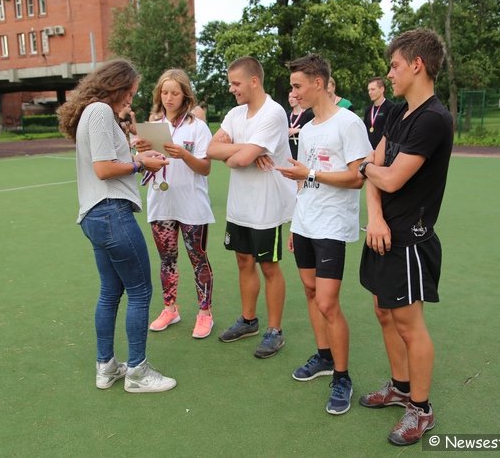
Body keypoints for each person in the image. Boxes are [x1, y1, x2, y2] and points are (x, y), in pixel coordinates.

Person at [357, 29, 453, 445]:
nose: (389, 73)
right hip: (382, 233)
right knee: (383, 311)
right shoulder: (396, 113)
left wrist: (367, 171)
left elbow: (388, 176)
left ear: (417, 65)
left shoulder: (434, 119)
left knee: (409, 324)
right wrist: (374, 217)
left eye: (395, 65)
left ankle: (422, 409)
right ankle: (400, 386)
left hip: (410, 240)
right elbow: (374, 169)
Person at [57, 59, 176, 393]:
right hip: (110, 213)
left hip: (97, 215)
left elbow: (109, 162)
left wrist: (134, 157)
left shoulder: (95, 112)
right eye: (130, 93)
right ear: (116, 86)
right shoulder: (98, 111)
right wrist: (140, 162)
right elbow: (104, 169)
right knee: (140, 291)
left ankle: (107, 367)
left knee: (111, 291)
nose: (130, 100)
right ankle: (137, 371)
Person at [275, 54, 371, 415]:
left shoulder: (349, 123)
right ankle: (325, 357)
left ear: (319, 83)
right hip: (306, 223)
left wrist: (309, 174)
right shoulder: (310, 127)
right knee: (312, 292)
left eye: (298, 86)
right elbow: (306, 180)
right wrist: (295, 222)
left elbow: (357, 177)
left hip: (332, 225)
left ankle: (342, 377)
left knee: (328, 302)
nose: (294, 93)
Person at [207, 56, 296, 359]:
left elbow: (238, 160)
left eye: (236, 83)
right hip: (240, 205)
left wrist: (236, 153)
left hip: (266, 206)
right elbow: (211, 149)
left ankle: (275, 331)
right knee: (244, 260)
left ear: (254, 81)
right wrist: (243, 149)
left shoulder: (273, 113)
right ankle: (249, 320)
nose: (232, 89)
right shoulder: (234, 114)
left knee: (268, 266)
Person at [134, 69, 215, 339]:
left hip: (192, 204)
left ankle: (205, 313)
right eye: (164, 92)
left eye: (174, 93)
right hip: (161, 202)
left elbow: (205, 168)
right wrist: (141, 150)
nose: (168, 98)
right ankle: (170, 308)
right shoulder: (153, 124)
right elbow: (144, 160)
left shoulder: (197, 126)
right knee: (166, 259)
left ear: (185, 95)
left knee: (197, 258)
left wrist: (183, 154)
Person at [363, 76, 394, 149]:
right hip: (369, 152)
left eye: (373, 89)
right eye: (369, 90)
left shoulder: (391, 108)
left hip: (384, 152)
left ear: (382, 89)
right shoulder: (368, 109)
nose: (370, 92)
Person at [286, 92, 314, 160]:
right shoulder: (288, 114)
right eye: (289, 97)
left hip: (303, 147)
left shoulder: (309, 114)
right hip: (290, 147)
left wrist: (298, 130)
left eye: (293, 97)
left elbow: (314, 130)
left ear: (299, 98)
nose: (290, 99)